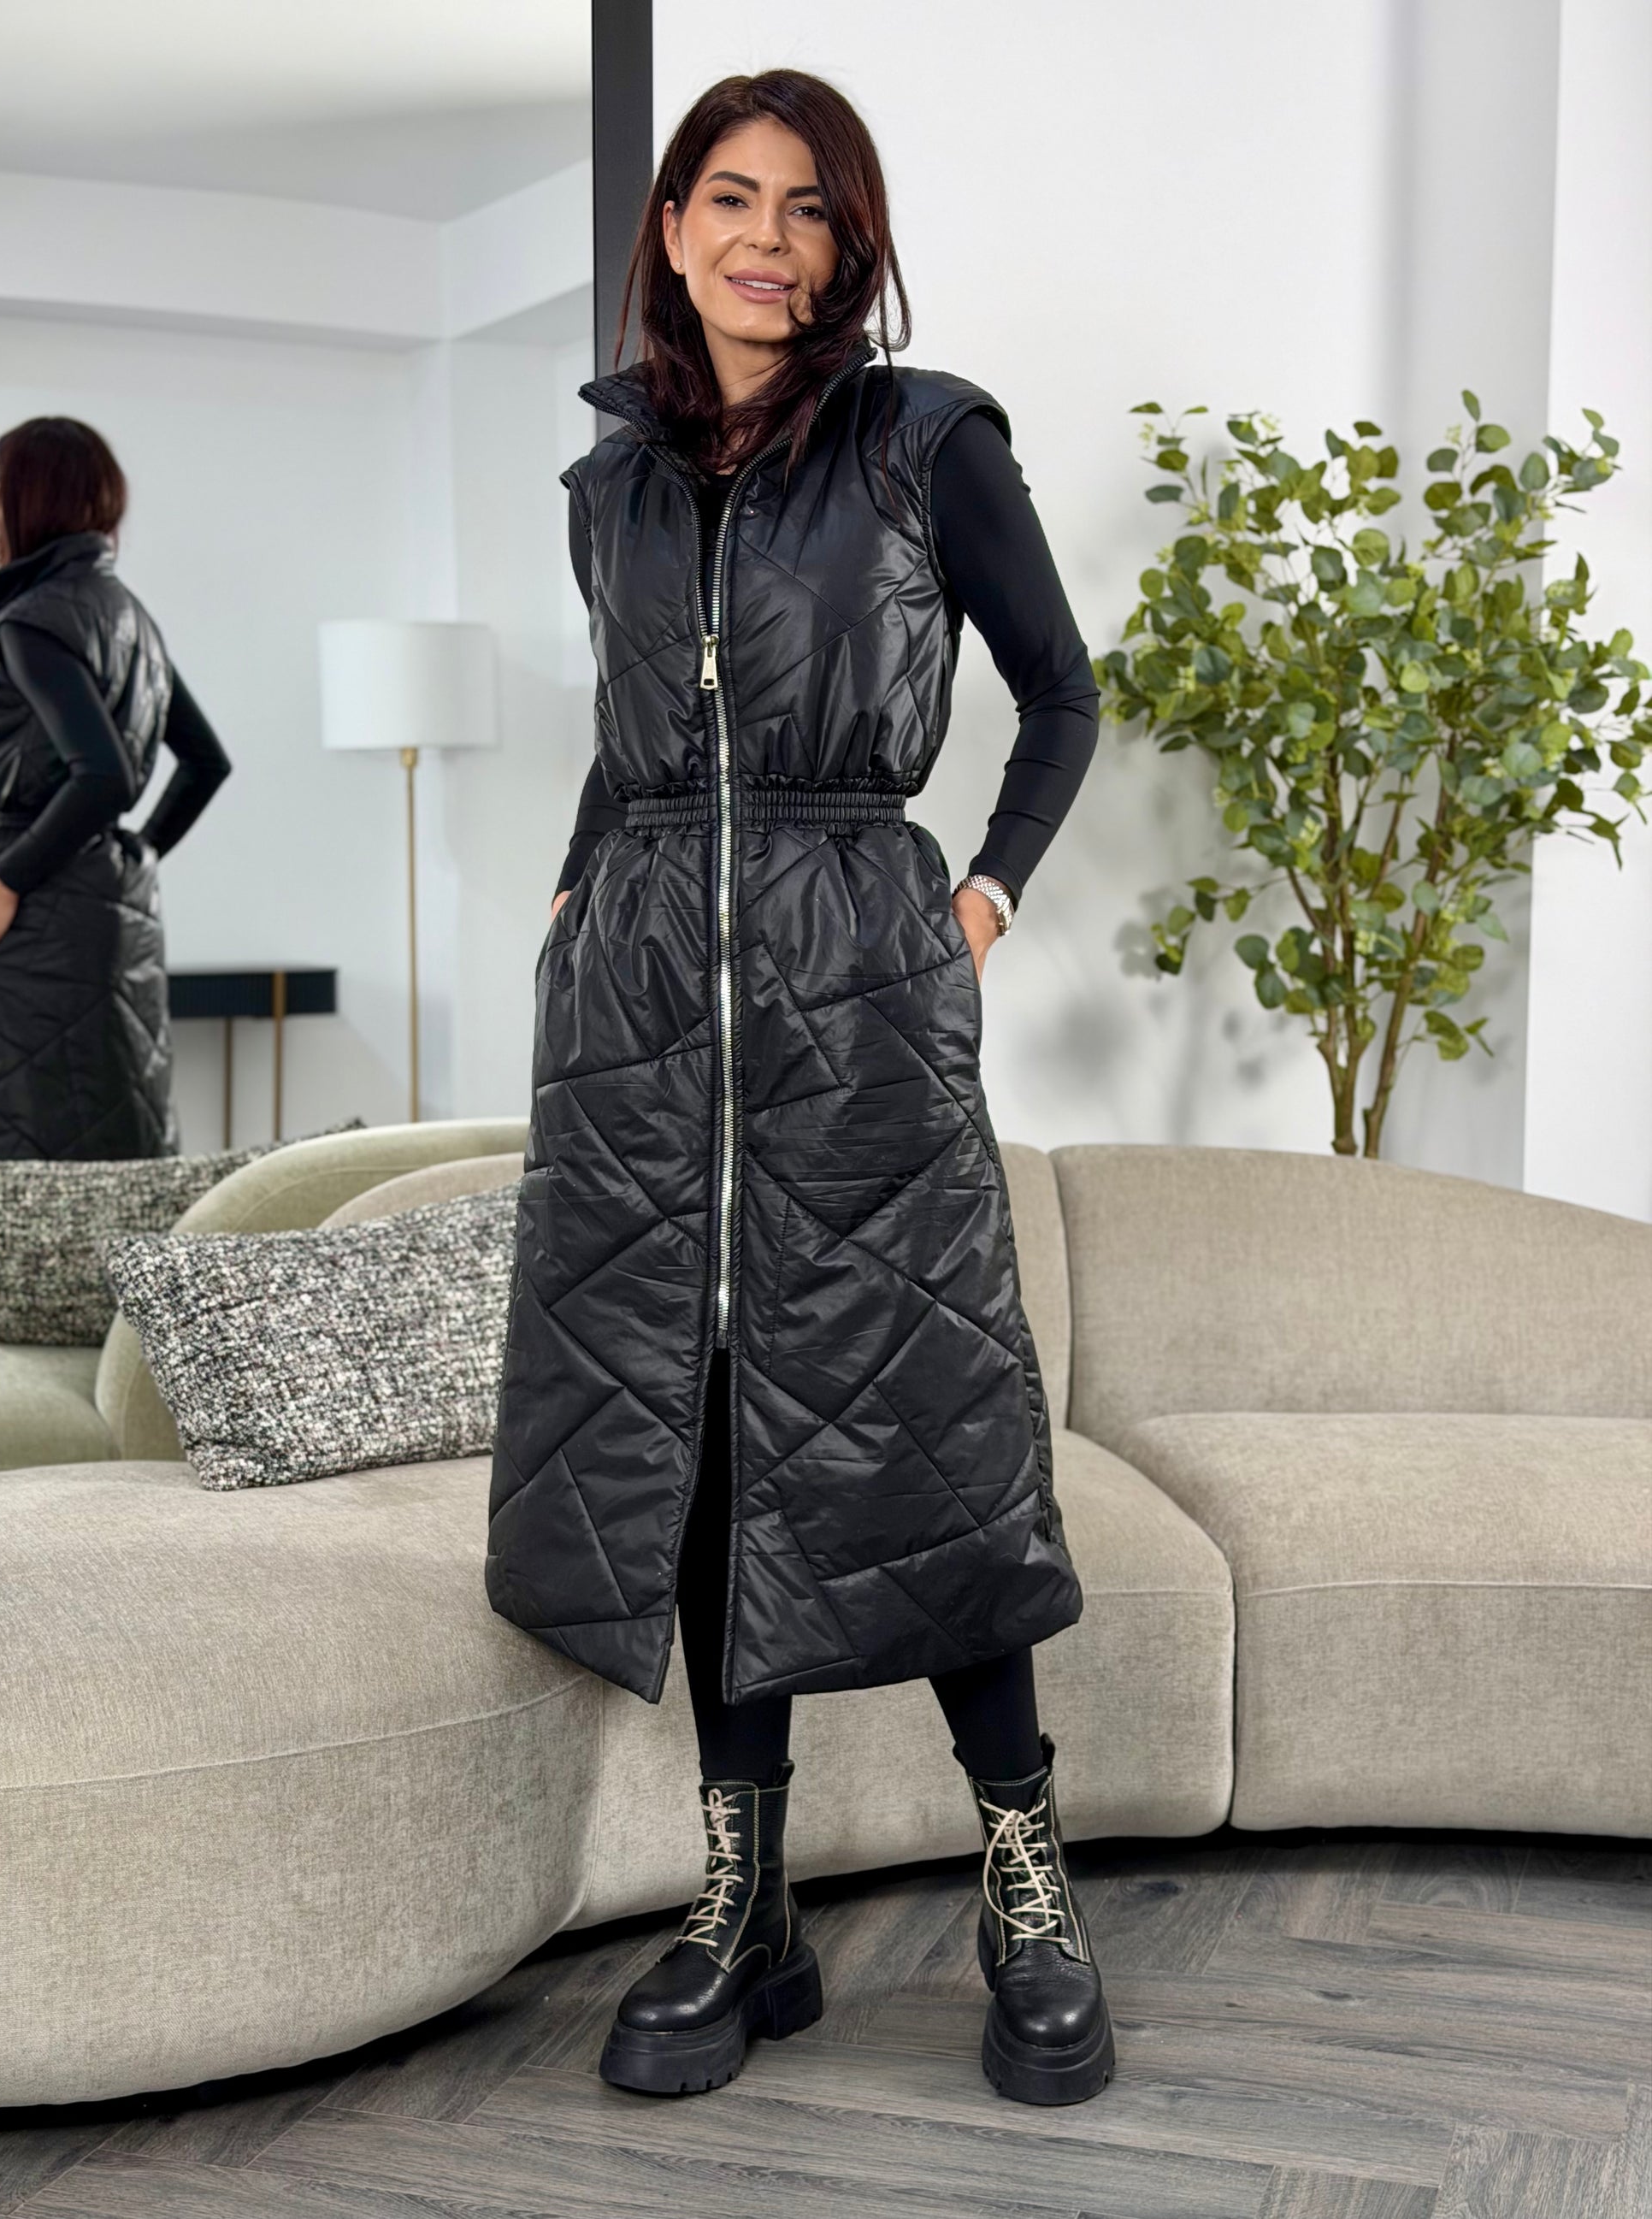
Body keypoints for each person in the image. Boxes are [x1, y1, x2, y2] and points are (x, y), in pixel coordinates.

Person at [488, 70, 1112, 2108]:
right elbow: (637, 741)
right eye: (730, 199)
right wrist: (578, 898)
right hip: (645, 1006)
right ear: (670, 228)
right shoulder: (610, 486)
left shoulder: (925, 437)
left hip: (861, 980)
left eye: (810, 207)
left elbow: (1060, 689)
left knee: (920, 1416)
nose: (767, 238)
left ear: (850, 243)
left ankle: (1024, 1876)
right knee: (694, 1423)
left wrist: (984, 895)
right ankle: (743, 1902)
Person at [0, 418, 231, 1158]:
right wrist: (135, 856)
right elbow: (206, 762)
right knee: (113, 1141)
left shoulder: (28, 621)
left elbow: (103, 775)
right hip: (110, 919)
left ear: (23, 495)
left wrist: (5, 878)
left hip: (34, 930)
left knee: (33, 1159)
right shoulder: (128, 615)